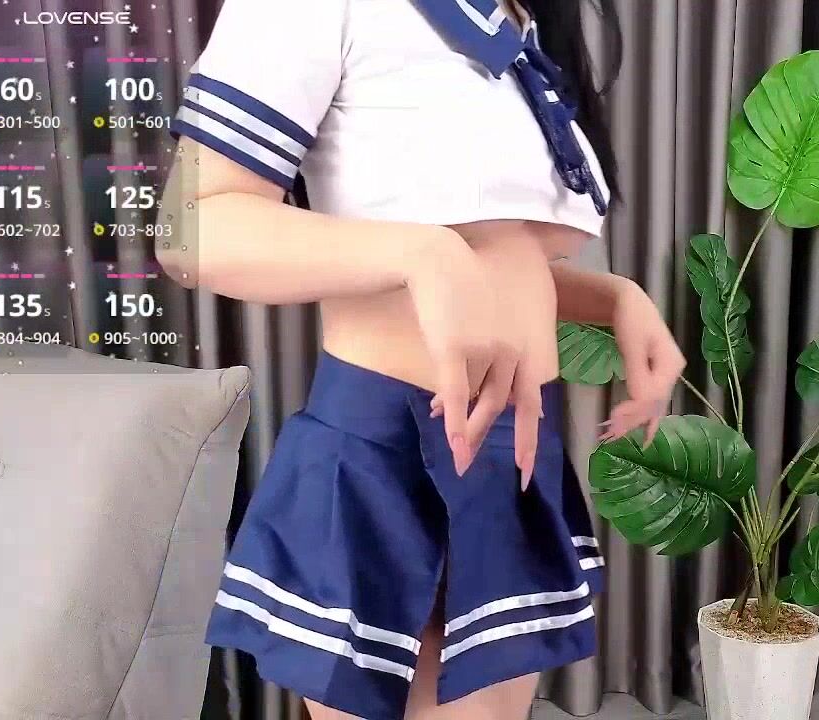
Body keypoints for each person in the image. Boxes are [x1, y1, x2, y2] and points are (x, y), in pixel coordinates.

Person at [158, 0, 684, 718]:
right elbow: (192, 230)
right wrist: (422, 252)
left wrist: (614, 298)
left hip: (511, 452)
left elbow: (484, 256)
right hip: (393, 451)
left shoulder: (520, 21)